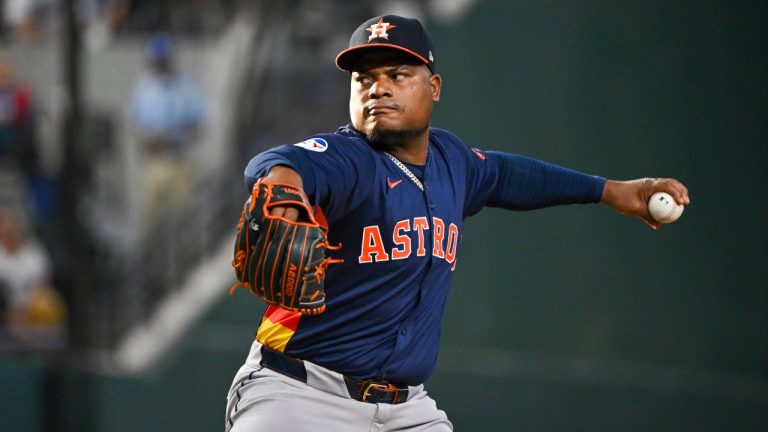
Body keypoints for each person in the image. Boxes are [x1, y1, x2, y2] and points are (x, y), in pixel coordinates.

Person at [225, 15, 690, 431]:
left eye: (398, 75)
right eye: (364, 79)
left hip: (407, 412)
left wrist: (613, 191)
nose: (378, 88)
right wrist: (283, 185)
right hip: (301, 397)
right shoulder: (347, 158)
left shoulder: (453, 160)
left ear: (434, 87)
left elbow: (509, 175)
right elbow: (280, 161)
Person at [128, 33, 206, 226]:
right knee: (153, 221)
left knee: (183, 219)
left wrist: (177, 135)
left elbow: (198, 124)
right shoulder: (145, 86)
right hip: (155, 161)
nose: (160, 63)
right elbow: (134, 125)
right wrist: (149, 139)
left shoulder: (185, 85)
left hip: (180, 160)